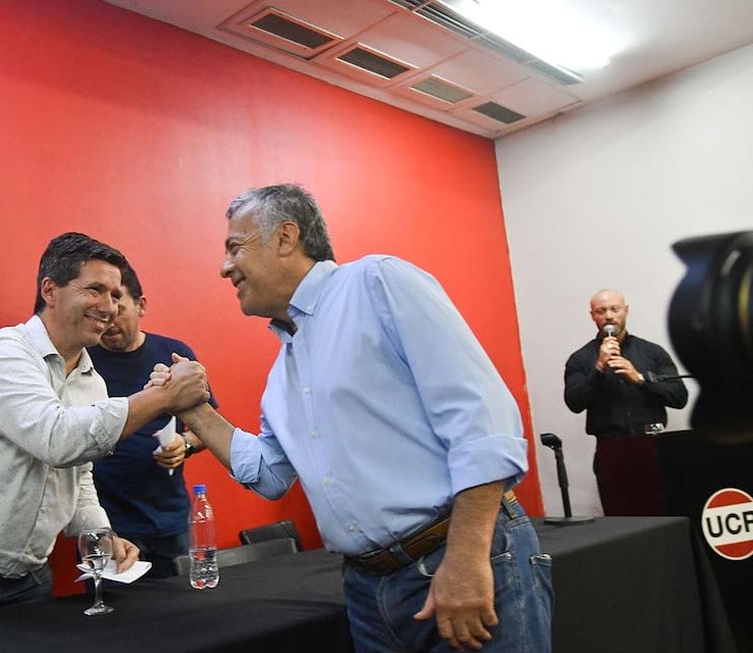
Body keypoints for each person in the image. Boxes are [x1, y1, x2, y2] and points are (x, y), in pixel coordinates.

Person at [156, 184, 552, 652]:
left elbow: (483, 426)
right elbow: (268, 473)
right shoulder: (284, 372)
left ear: (286, 238)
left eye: (235, 247)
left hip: (458, 557)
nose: (225, 267)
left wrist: (466, 560)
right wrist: (191, 408)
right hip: (368, 591)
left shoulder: (378, 283)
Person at [0, 232, 209, 626]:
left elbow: (78, 476)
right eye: (96, 290)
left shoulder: (92, 382)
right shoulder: (2, 352)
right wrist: (161, 397)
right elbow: (57, 439)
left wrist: (101, 536)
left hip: (25, 585)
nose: (109, 307)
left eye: (116, 295)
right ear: (50, 290)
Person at [87, 261, 217, 578]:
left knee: (179, 612)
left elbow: (210, 426)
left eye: (119, 308)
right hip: (108, 520)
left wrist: (184, 444)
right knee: (114, 617)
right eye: (103, 313)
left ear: (141, 305)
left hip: (169, 518)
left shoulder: (173, 354)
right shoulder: (83, 359)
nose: (109, 320)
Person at [564, 289, 688, 513]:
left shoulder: (652, 352)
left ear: (626, 311)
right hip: (611, 451)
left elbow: (679, 397)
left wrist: (640, 379)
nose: (609, 316)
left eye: (615, 309)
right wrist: (599, 368)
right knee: (622, 520)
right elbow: (574, 402)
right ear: (593, 316)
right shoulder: (580, 359)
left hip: (654, 447)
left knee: (667, 515)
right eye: (602, 311)